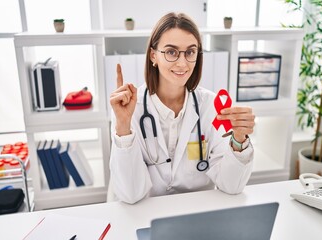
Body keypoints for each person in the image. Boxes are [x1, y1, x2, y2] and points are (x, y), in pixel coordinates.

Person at [109, 12, 255, 204]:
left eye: (190, 52)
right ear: (154, 55)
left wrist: (239, 140)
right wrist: (123, 127)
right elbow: (130, 194)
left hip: (196, 217)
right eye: (171, 52)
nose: (182, 62)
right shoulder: (129, 109)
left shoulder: (211, 106)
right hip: (144, 216)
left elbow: (231, 186)